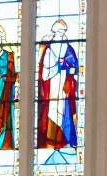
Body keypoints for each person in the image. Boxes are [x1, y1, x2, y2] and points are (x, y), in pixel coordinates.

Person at [37, 18, 79, 150]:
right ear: (54, 32)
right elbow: (44, 73)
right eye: (58, 32)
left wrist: (65, 65)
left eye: (62, 32)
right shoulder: (49, 50)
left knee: (64, 110)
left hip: (64, 86)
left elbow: (74, 68)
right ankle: (50, 139)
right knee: (51, 110)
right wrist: (56, 66)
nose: (61, 34)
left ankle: (64, 139)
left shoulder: (69, 49)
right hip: (51, 86)